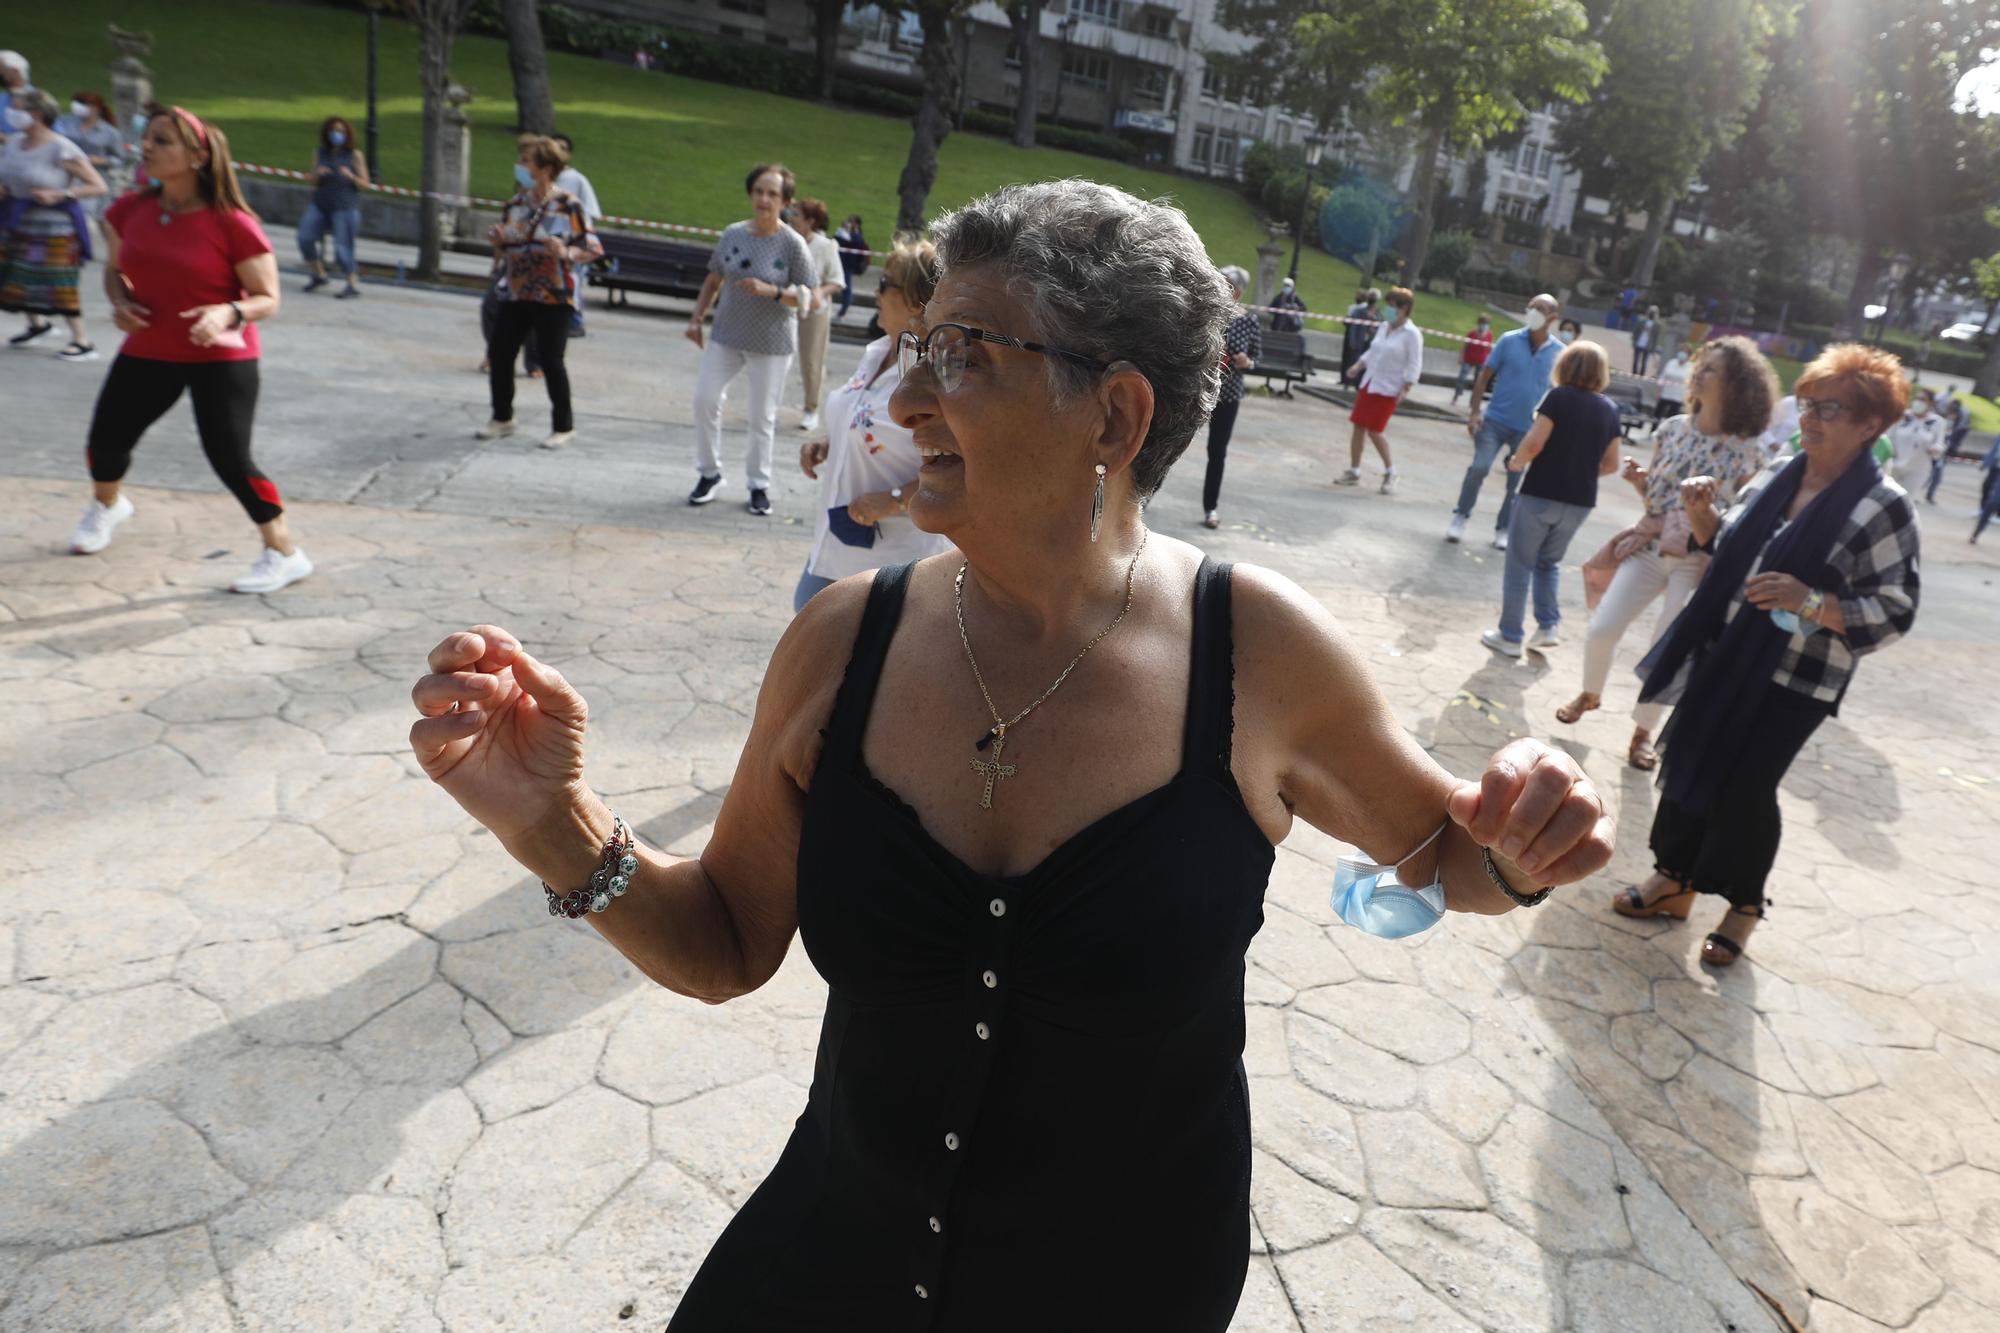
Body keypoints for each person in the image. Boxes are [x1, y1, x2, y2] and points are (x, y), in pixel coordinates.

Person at [407, 178, 1614, 1332]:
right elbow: (723, 944)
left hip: (1123, 1296)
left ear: (1116, 414)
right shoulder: (839, 647)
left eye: (962, 357)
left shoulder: (1259, 654)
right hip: (828, 1264)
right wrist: (547, 818)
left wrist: (1519, 842)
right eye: (917, 350)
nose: (904, 400)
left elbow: (1444, 856)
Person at [1615, 344, 1919, 967]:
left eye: (1830, 409)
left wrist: (1814, 603)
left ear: (1870, 425)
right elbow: (1736, 548)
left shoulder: (1883, 505)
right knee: (1689, 755)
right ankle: (1673, 878)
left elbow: (1895, 609)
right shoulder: (1780, 470)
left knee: (1745, 789)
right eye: (1807, 404)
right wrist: (1704, 520)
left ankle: (1743, 908)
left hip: (1796, 676)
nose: (1810, 418)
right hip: (1725, 651)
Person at [74, 104, 311, 594]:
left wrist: (228, 312)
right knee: (105, 443)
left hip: (221, 356)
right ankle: (107, 505)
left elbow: (268, 297)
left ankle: (284, 553)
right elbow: (114, 270)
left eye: (163, 140)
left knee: (230, 457)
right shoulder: (131, 209)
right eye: (148, 138)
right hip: (149, 347)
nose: (148, 148)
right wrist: (118, 299)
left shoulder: (232, 222)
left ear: (197, 156)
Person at [1559, 337, 1777, 770]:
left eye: (1711, 369)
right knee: (1603, 627)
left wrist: (1703, 511)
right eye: (1700, 365)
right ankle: (1590, 692)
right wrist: (1642, 483)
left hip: (1697, 561)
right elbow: (1655, 501)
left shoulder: (1749, 451)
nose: (1700, 374)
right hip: (1651, 547)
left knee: (1669, 646)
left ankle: (1643, 732)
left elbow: (1743, 521)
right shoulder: (1672, 428)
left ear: (1736, 385)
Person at [793, 236, 954, 611]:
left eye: (884, 284)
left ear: (916, 302)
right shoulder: (878, 352)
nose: (875, 292)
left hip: (895, 562)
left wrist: (895, 499)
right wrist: (830, 443)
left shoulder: (935, 375)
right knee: (807, 612)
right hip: (837, 542)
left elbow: (961, 467)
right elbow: (863, 418)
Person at [685, 162, 815, 517]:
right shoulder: (732, 234)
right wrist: (697, 319)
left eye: (773, 193)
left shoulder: (792, 244)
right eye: (758, 191)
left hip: (771, 342)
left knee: (762, 416)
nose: (764, 199)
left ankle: (758, 484)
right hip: (726, 334)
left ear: (785, 200)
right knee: (704, 399)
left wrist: (771, 290)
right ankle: (709, 474)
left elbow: (810, 297)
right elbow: (714, 279)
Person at [1481, 339, 1623, 657]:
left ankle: (1510, 635)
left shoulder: (1557, 398)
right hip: (1580, 502)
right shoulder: (1610, 410)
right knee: (1549, 563)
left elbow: (1534, 443)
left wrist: (1516, 462)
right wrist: (1583, 474)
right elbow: (1612, 464)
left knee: (1519, 564)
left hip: (1540, 494)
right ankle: (1548, 625)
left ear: (1565, 366)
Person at [475, 134, 601, 451]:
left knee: (551, 360)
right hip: (517, 292)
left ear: (544, 168)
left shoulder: (568, 205)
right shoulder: (516, 205)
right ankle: (502, 417)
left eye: (526, 161)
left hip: (553, 295)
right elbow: (508, 242)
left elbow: (593, 248)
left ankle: (563, 426)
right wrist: (498, 242)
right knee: (501, 353)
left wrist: (566, 253)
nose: (520, 166)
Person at [0, 90, 108, 361]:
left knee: (59, 282)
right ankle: (37, 325)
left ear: (36, 114)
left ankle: (82, 341)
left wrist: (62, 194)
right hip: (18, 219)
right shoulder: (14, 143)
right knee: (17, 272)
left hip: (55, 227)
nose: (11, 112)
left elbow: (98, 186)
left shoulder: (62, 148)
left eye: (18, 108)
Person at [1454, 293, 1563, 549]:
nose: (1534, 311)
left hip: (1528, 429)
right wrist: (1474, 413)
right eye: (1532, 305)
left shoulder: (1559, 353)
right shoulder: (1509, 340)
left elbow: (1560, 393)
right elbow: (1484, 376)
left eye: (1541, 308)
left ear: (1553, 318)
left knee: (1516, 484)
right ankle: (1461, 515)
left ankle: (1503, 528)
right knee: (1479, 467)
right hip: (1494, 421)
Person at [1335, 285, 1421, 494]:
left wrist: (1406, 388)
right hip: (1371, 383)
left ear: (1404, 308)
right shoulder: (1384, 327)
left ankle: (1391, 471)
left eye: (1394, 306)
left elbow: (1414, 364)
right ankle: (1354, 470)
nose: (1389, 310)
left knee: (1375, 431)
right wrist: (1358, 366)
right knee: (1358, 426)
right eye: (1389, 305)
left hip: (1390, 389)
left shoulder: (1412, 334)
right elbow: (1373, 352)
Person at [1200, 264, 1261, 528]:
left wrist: (1247, 362)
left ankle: (1210, 508)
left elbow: (1257, 358)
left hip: (1228, 394)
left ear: (1236, 291)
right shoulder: (1208, 312)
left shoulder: (1248, 321)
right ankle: (1145, 499)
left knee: (1217, 452)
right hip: (1198, 389)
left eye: (1226, 284)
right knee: (1170, 443)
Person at [788, 196, 846, 433]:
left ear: (811, 221)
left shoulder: (825, 246)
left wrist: (820, 293)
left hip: (814, 310)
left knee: (812, 360)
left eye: (797, 215)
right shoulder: (787, 239)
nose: (791, 218)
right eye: (791, 213)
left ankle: (811, 408)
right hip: (785, 304)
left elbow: (837, 281)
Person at [297, 115, 368, 299]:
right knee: (305, 237)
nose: (337, 134)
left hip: (344, 205)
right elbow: (311, 180)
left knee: (342, 247)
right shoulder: (320, 153)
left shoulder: (354, 156)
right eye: (333, 131)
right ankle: (318, 274)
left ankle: (351, 283)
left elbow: (364, 184)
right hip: (321, 203)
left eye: (341, 131)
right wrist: (317, 174)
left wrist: (351, 176)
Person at [53, 92, 130, 228]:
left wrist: (102, 161)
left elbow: (120, 159)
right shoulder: (65, 121)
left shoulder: (110, 133)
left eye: (82, 104)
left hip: (94, 179)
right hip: (66, 176)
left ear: (95, 108)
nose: (77, 107)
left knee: (87, 219)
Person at [552, 133, 599, 336]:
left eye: (562, 148)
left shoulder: (577, 181)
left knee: (572, 283)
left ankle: (575, 320)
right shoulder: (534, 183)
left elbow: (588, 214)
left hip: (570, 243)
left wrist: (575, 245)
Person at [1886, 386, 1945, 499]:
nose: (1918, 402)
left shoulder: (1937, 422)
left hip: (1918, 468)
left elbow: (1939, 444)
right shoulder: (1902, 416)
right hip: (1894, 465)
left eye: (1922, 400)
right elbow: (1889, 436)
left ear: (1931, 403)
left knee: (1905, 500)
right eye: (1917, 398)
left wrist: (1934, 449)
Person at [1451, 313, 1493, 404]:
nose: (1483, 325)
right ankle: (1456, 396)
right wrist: (1461, 357)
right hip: (1468, 358)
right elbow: (1465, 345)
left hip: (1481, 360)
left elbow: (1489, 348)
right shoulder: (1472, 333)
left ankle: (1472, 401)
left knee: (1477, 382)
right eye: (1482, 323)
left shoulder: (1489, 335)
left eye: (1485, 323)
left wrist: (1489, 361)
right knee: (1461, 378)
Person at [1338, 286, 1377, 378]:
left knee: (1354, 358)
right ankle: (1347, 379)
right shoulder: (1358, 310)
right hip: (1358, 338)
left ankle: (1352, 379)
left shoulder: (1360, 310)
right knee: (1351, 359)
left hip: (1364, 339)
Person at [834, 213, 868, 319]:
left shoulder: (856, 235)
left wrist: (844, 233)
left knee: (846, 288)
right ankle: (844, 308)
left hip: (848, 265)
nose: (850, 223)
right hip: (841, 263)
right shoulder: (846, 233)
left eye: (852, 221)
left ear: (857, 224)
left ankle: (844, 310)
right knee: (843, 287)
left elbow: (852, 242)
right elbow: (836, 240)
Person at [1651, 347, 1691, 431]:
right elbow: (1663, 376)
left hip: (1678, 396)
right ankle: (1653, 431)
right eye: (1681, 352)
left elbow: (1689, 383)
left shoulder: (1690, 367)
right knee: (1657, 413)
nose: (1682, 354)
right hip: (1665, 393)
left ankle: (1669, 433)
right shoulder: (1672, 362)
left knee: (1672, 418)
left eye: (1685, 353)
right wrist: (1659, 391)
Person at [1973, 435, 2000, 543]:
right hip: (1996, 468)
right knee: (1992, 501)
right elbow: (1994, 449)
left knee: (1994, 501)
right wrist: (1986, 462)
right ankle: (1977, 532)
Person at [1631, 304, 1659, 377]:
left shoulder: (1656, 325)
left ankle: (1641, 375)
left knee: (1644, 362)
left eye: (1654, 312)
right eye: (1651, 311)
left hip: (1647, 346)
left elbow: (1655, 337)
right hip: (1638, 344)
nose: (1652, 314)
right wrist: (1634, 341)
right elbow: (1635, 331)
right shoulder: (1642, 321)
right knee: (1636, 360)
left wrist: (1653, 348)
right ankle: (1633, 374)